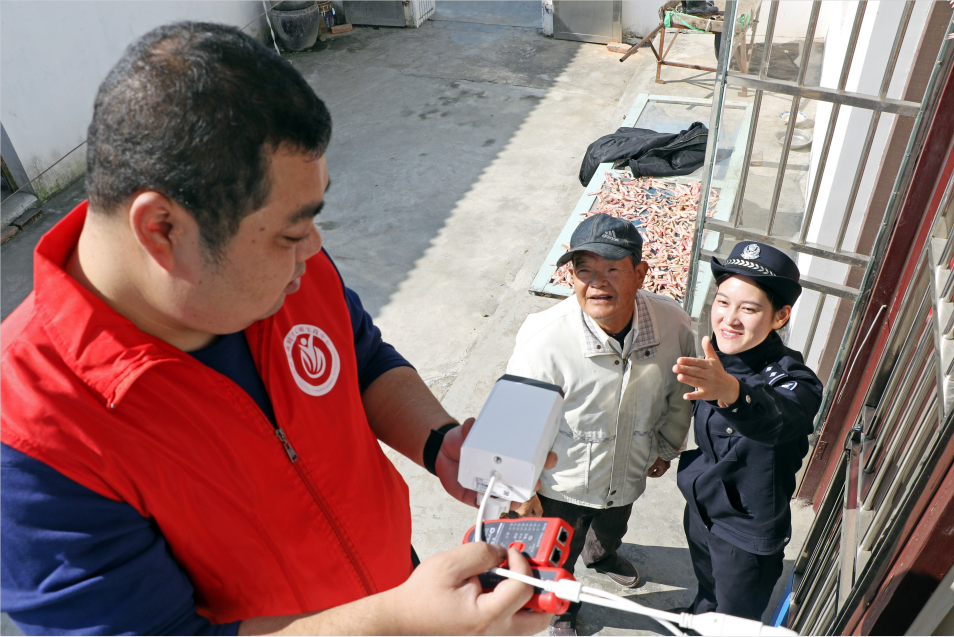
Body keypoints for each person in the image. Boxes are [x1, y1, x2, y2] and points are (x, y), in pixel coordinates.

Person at [0, 22, 553, 636]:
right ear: (162, 229)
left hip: (399, 586)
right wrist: (397, 624)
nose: (313, 248)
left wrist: (438, 443)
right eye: (291, 232)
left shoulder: (284, 267)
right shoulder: (30, 438)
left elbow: (362, 359)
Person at [506, 213, 696, 636]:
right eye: (584, 270)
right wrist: (522, 492)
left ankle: (602, 555)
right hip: (563, 479)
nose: (597, 283)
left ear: (640, 273)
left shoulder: (673, 323)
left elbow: (679, 393)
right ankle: (560, 608)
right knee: (558, 551)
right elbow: (514, 425)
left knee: (613, 525)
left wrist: (667, 447)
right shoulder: (544, 337)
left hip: (630, 463)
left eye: (612, 269)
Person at [673, 241, 824, 621]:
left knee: (734, 619)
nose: (730, 319)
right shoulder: (718, 355)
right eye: (723, 302)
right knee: (707, 586)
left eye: (749, 309)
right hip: (703, 502)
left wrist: (733, 394)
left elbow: (780, 417)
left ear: (780, 317)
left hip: (745, 530)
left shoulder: (795, 380)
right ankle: (697, 620)